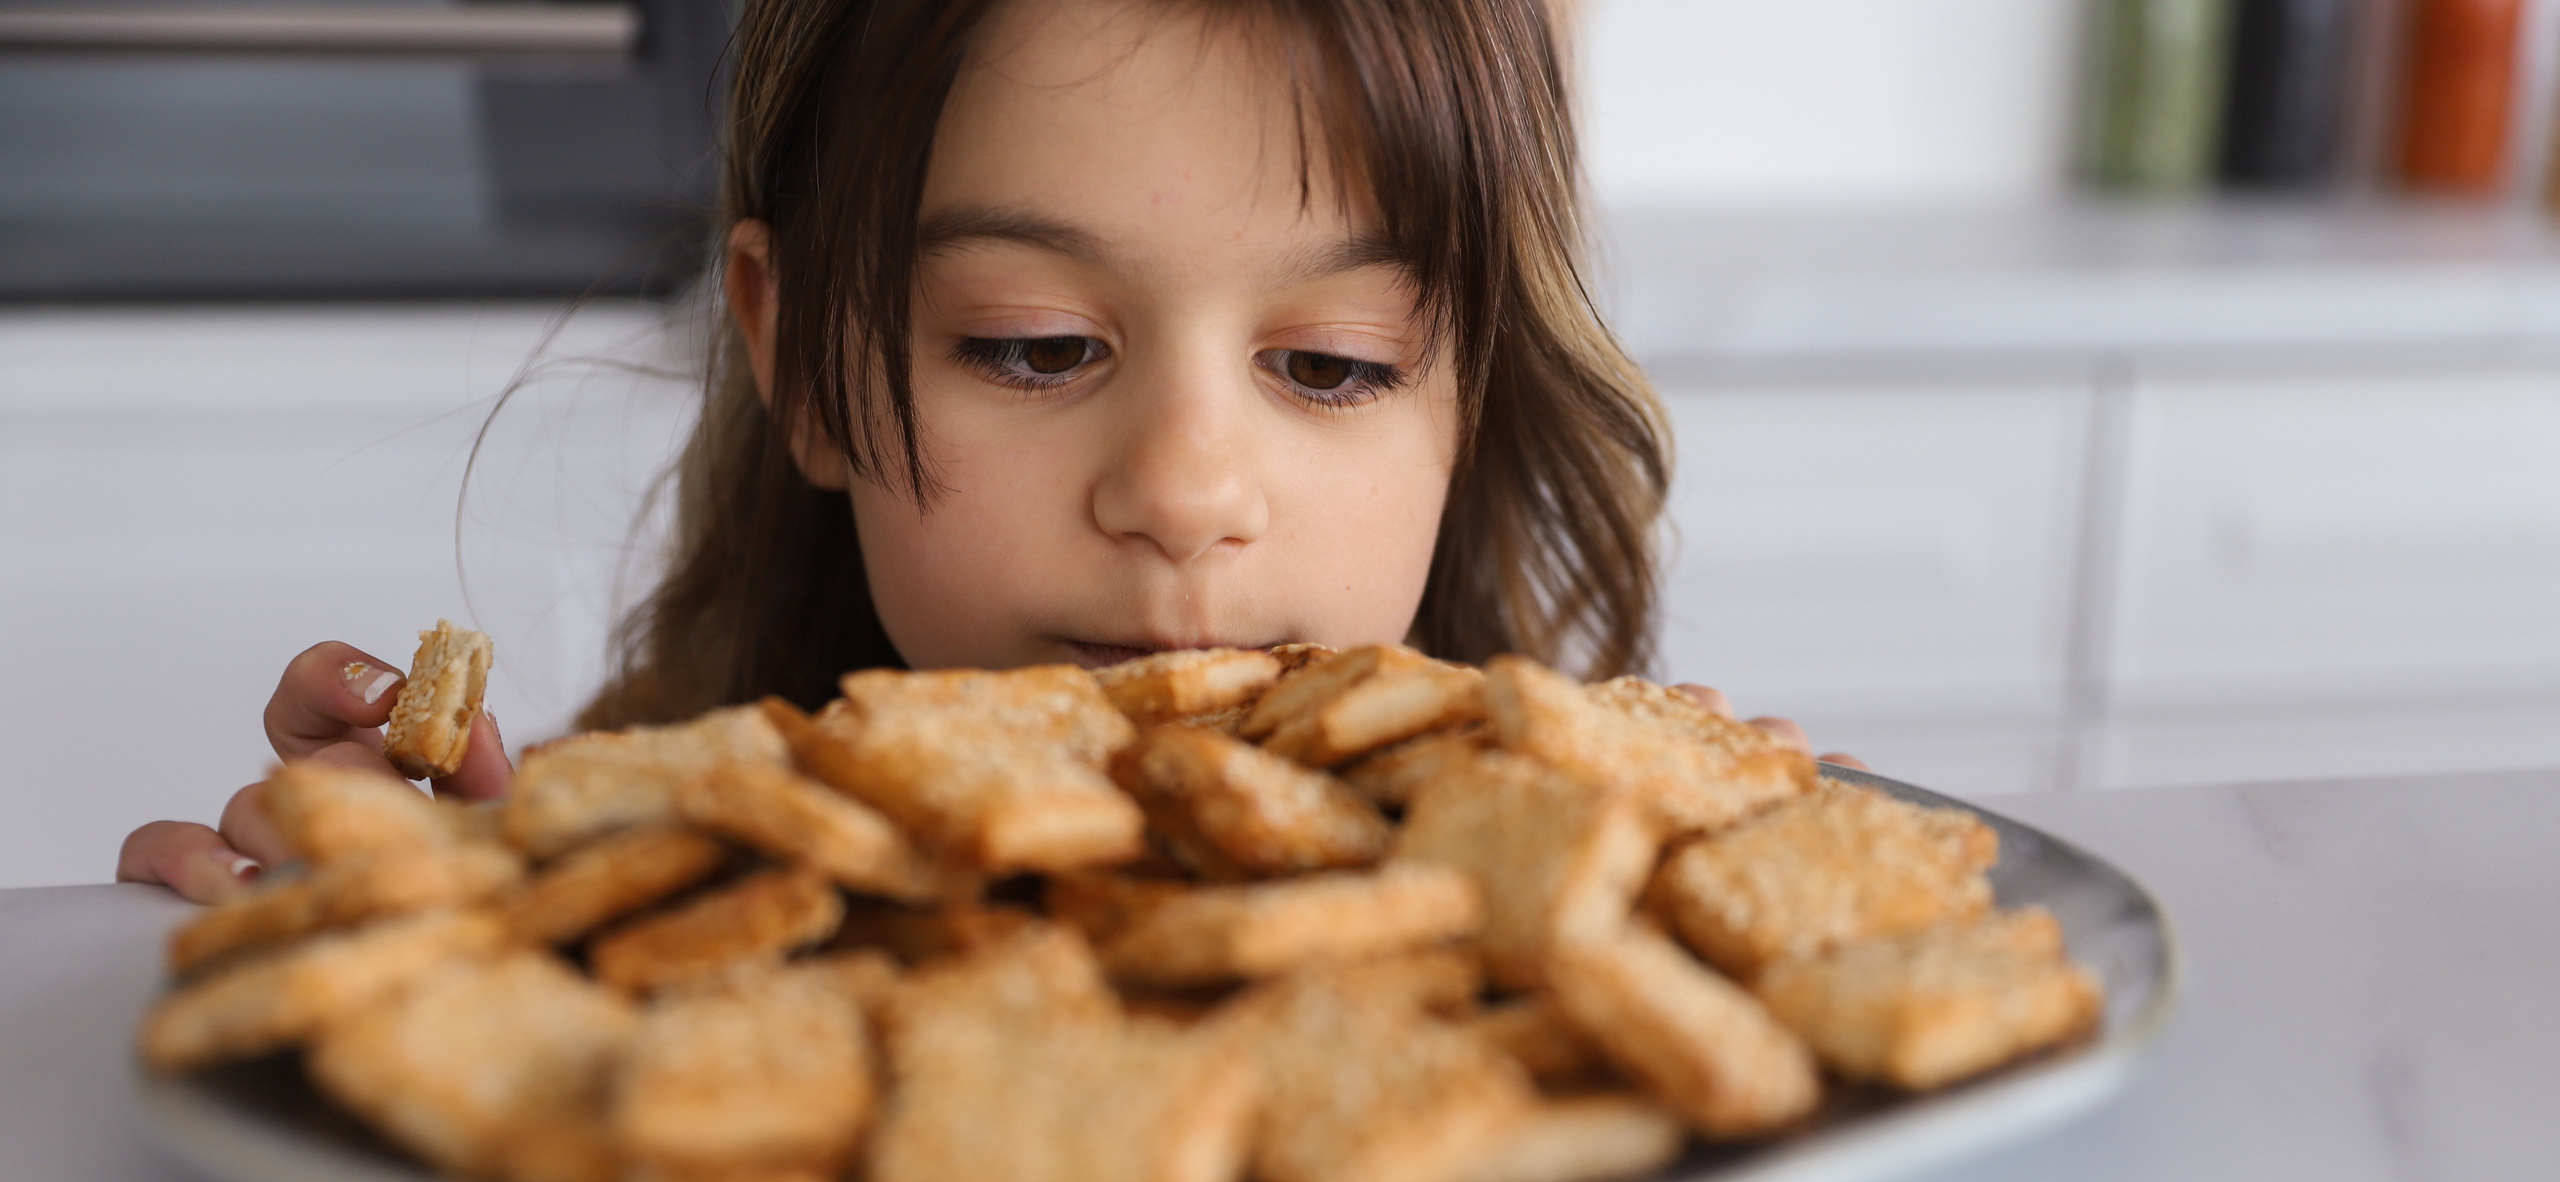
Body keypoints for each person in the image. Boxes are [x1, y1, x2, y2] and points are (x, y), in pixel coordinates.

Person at [118, 0, 1851, 906]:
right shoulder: (634, 896)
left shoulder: (1591, 917)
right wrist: (445, 915)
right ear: (797, 359)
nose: (1181, 492)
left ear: (1467, 408)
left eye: (1330, 364)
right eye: (1034, 345)